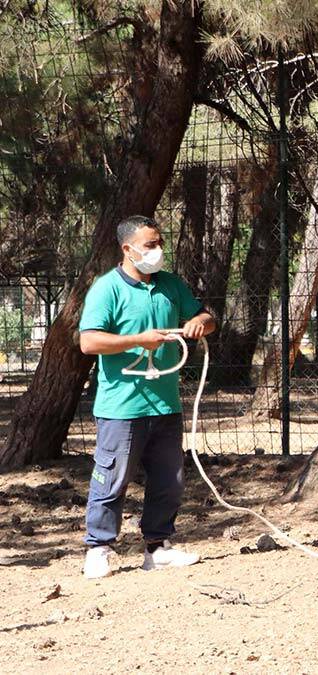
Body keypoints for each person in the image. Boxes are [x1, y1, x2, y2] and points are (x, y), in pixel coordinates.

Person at [78, 215, 217, 579]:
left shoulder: (171, 285)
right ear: (127, 249)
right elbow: (89, 341)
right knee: (112, 477)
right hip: (121, 406)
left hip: (165, 403)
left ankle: (158, 546)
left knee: (169, 478)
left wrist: (199, 322)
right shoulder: (106, 289)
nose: (157, 251)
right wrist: (139, 340)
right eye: (150, 245)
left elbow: (207, 317)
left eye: (159, 244)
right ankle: (99, 547)